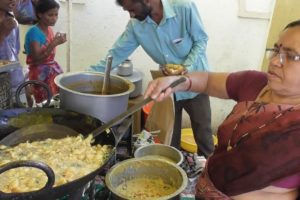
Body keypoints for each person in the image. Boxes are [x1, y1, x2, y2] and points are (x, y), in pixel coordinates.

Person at [144, 19, 300, 200]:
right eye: (276, 50)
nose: (274, 61)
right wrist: (177, 82)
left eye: (290, 56)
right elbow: (208, 81)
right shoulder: (255, 83)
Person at [90, 0, 214, 158]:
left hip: (196, 81)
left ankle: (210, 175)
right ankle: (175, 172)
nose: (131, 15)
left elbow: (201, 40)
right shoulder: (136, 26)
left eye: (133, 9)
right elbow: (115, 55)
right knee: (169, 138)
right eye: (128, 11)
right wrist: (87, 75)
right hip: (168, 87)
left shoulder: (183, 7)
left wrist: (186, 67)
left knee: (203, 133)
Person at [24, 0, 66, 103]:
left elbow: (49, 53)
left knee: (54, 101)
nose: (54, 18)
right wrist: (53, 44)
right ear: (40, 15)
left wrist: (55, 41)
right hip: (40, 74)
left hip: (51, 72)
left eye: (56, 15)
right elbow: (37, 60)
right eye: (50, 15)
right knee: (44, 104)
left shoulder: (49, 30)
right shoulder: (34, 32)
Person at [0, 0, 25, 105]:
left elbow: (15, 53)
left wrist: (24, 82)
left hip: (16, 84)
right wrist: (2, 33)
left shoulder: (13, 20)